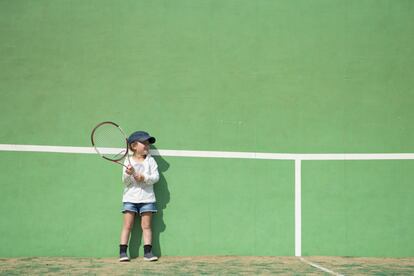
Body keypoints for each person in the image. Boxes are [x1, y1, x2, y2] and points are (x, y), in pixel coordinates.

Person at [119, 131, 160, 262]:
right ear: (134, 146)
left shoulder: (151, 161)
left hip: (147, 199)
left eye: (149, 143)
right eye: (144, 143)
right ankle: (123, 253)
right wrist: (129, 174)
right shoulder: (128, 160)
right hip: (130, 199)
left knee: (146, 226)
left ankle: (148, 253)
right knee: (127, 226)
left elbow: (155, 178)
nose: (147, 146)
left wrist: (144, 177)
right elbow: (125, 182)